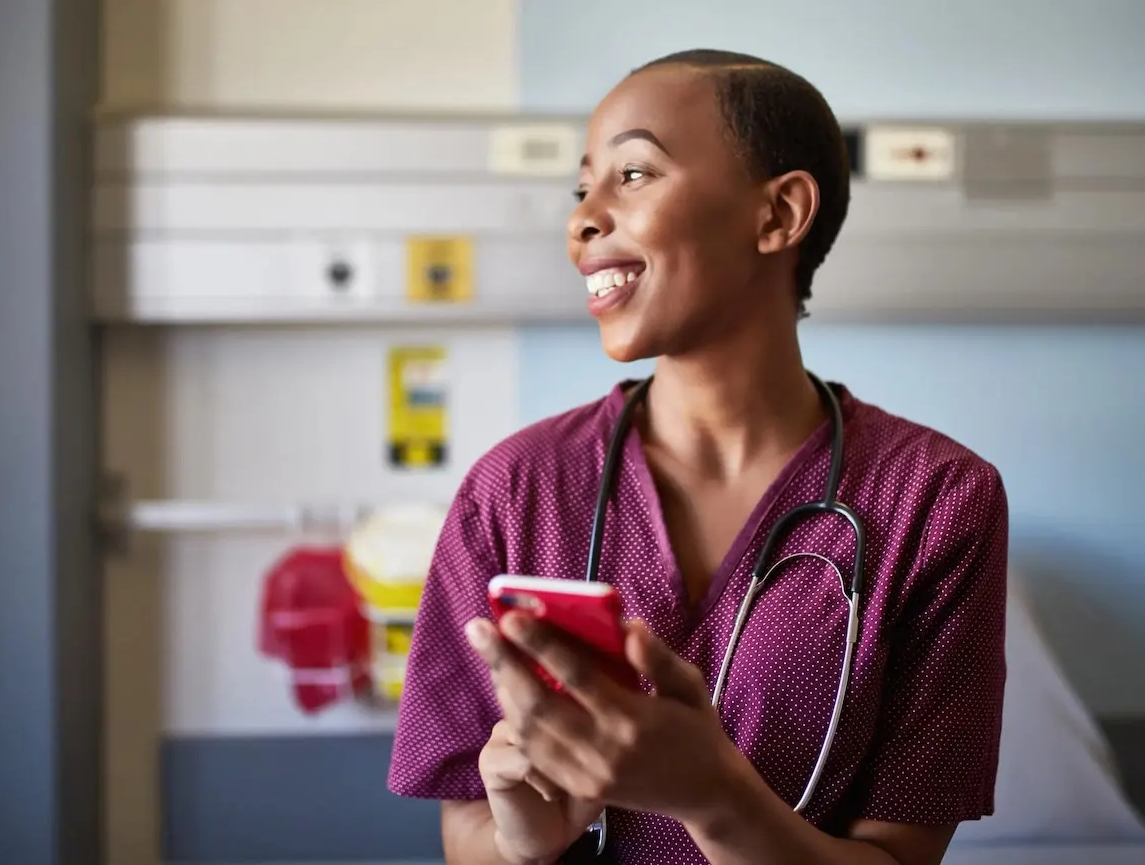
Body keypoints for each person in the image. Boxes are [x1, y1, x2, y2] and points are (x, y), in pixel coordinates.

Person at [386, 48, 1009, 865]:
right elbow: (465, 831)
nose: (581, 219)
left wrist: (713, 796)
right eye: (582, 189)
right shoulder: (515, 490)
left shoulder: (935, 501)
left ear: (780, 214)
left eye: (633, 174)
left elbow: (899, 854)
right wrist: (520, 843)